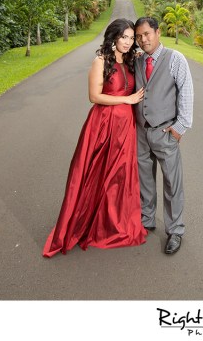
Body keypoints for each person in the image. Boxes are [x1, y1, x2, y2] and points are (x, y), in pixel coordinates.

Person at [42, 18, 146, 257]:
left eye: (131, 38)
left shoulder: (130, 60)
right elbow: (94, 96)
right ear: (114, 37)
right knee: (98, 174)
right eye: (124, 37)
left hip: (125, 126)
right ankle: (92, 224)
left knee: (120, 175)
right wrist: (126, 99)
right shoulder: (100, 61)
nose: (128, 42)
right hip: (104, 124)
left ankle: (114, 223)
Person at [133, 16, 193, 255]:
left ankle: (175, 230)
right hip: (141, 132)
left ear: (158, 33)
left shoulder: (175, 59)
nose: (143, 39)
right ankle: (146, 220)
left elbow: (186, 92)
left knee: (172, 183)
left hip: (165, 132)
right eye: (139, 36)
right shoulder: (137, 60)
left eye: (147, 34)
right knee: (144, 180)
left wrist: (180, 128)